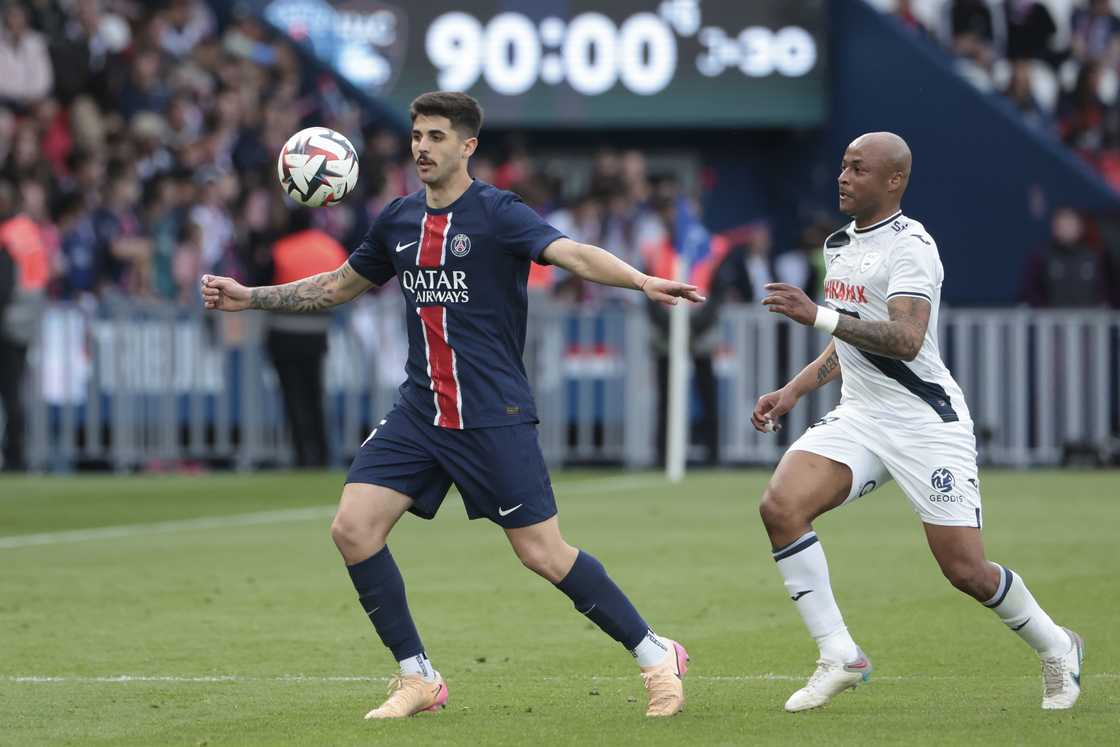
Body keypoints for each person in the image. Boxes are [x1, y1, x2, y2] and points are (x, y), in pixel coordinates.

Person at [200, 91, 703, 719]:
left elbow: (570, 252)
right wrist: (251, 297)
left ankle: (657, 655)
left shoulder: (498, 214)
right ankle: (418, 679)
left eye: (436, 136)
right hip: (421, 410)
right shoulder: (398, 221)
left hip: (492, 413)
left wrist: (641, 280)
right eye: (416, 135)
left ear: (467, 146)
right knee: (353, 529)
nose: (421, 147)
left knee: (542, 553)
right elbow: (336, 287)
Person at [753, 132, 1082, 713]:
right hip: (860, 416)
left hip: (925, 424)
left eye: (858, 169)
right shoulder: (838, 244)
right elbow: (848, 341)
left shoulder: (913, 247)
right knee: (780, 505)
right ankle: (839, 655)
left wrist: (819, 314)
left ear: (893, 180)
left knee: (965, 570)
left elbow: (904, 340)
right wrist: (792, 390)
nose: (843, 177)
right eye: (843, 166)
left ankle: (1057, 646)